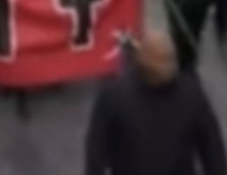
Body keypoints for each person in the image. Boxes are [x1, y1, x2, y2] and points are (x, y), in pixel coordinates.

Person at [84, 30, 227, 175]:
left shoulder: (114, 94)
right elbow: (97, 149)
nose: (165, 67)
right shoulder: (115, 95)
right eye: (161, 61)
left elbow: (212, 149)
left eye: (168, 60)